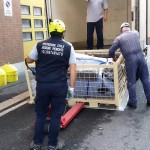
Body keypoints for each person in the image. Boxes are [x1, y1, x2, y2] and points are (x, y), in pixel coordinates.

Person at [25, 19, 76, 150]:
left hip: (42, 86)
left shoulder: (39, 44)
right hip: (59, 86)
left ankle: (36, 144)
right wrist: (71, 88)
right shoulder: (68, 46)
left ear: (50, 31)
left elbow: (30, 60)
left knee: (41, 114)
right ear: (62, 33)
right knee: (55, 116)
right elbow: (73, 69)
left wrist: (26, 59)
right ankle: (53, 145)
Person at [108, 22, 150, 109]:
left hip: (131, 60)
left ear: (121, 30)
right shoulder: (136, 33)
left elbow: (111, 51)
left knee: (131, 82)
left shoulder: (119, 38)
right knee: (145, 79)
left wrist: (114, 58)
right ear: (128, 28)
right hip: (141, 57)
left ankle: (133, 103)